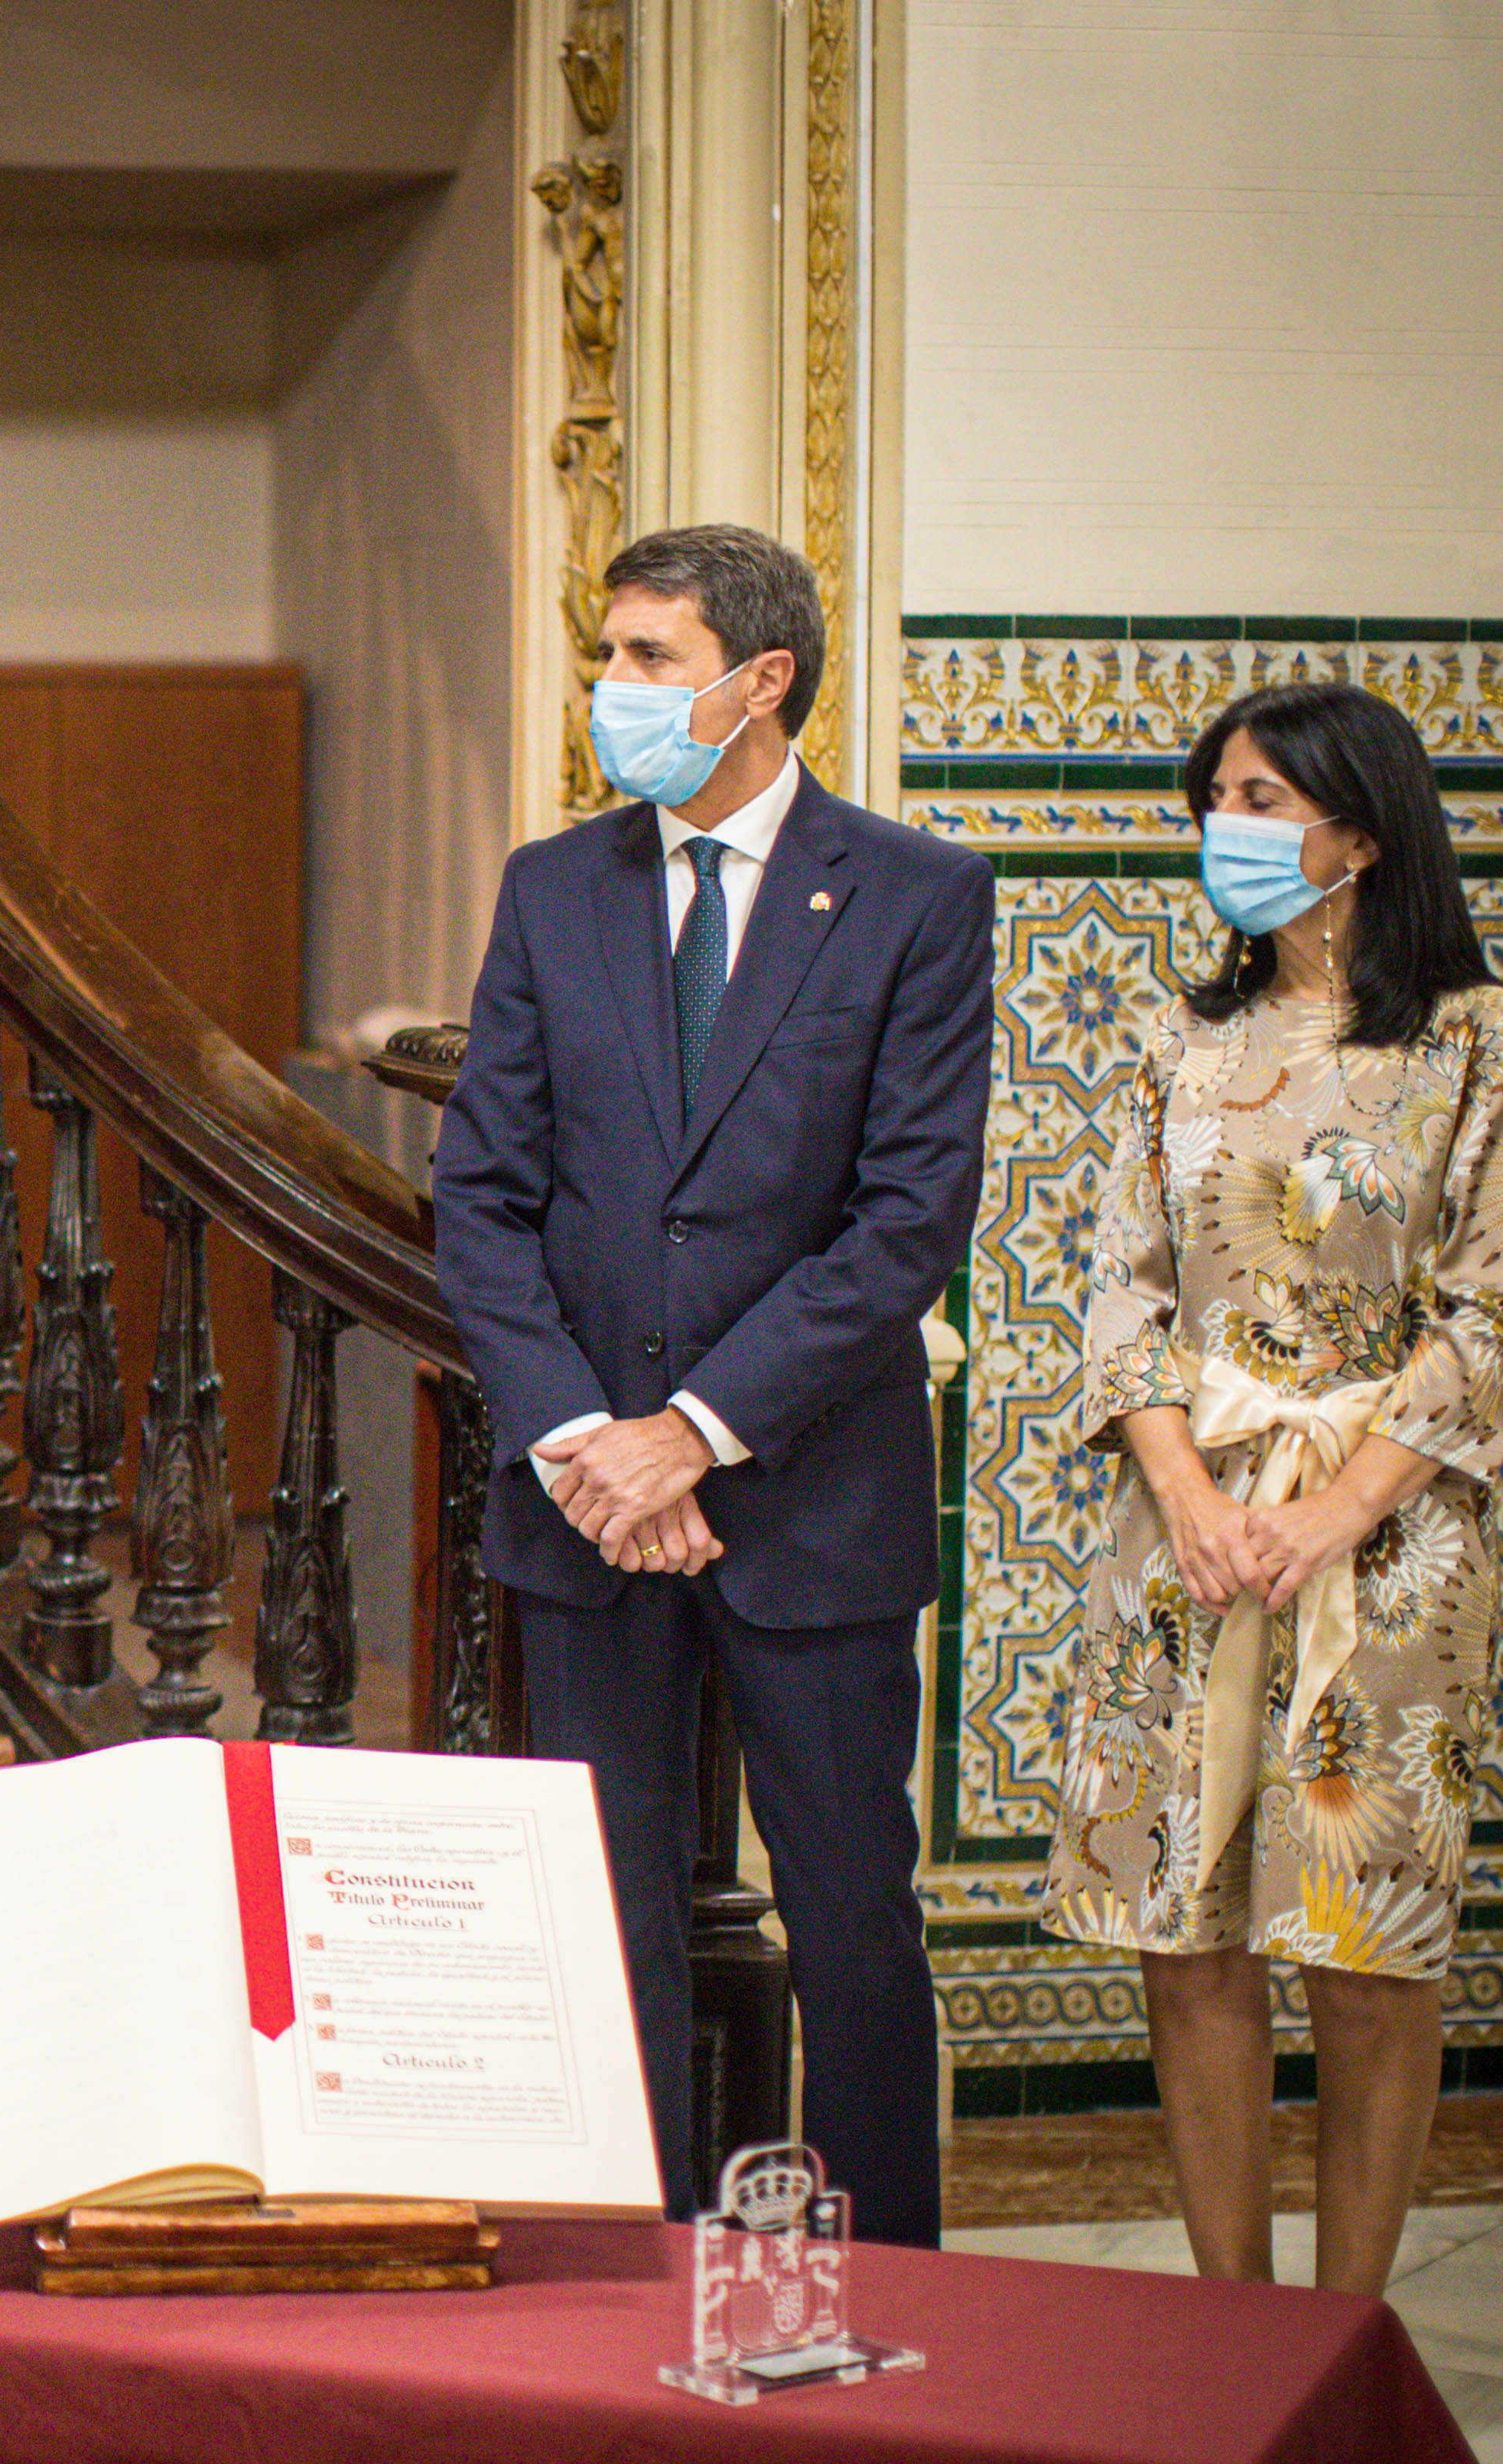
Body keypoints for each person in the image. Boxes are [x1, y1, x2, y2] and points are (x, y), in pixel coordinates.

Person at [432, 523, 994, 2248]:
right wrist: (593, 1445)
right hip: (588, 1504)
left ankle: (899, 2268)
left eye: (648, 660)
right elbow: (486, 1194)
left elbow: (906, 1225)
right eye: (608, 657)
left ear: (760, 681)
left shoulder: (915, 894)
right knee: (608, 1913)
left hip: (808, 1495)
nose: (612, 692)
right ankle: (633, 2261)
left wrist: (696, 1435)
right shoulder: (554, 886)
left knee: (845, 1914)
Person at [1042, 679, 1503, 2300]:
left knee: (1365, 1942)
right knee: (1187, 1935)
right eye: (1217, 800)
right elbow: (1121, 1291)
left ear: (1362, 832)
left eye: (1260, 801)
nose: (1225, 831)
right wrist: (1188, 1493)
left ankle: (1343, 2337)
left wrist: (1339, 1510)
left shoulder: (1479, 1040)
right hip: (1186, 1530)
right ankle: (1230, 2328)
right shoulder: (1176, 1041)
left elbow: (1495, 1302)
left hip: (1388, 1545)